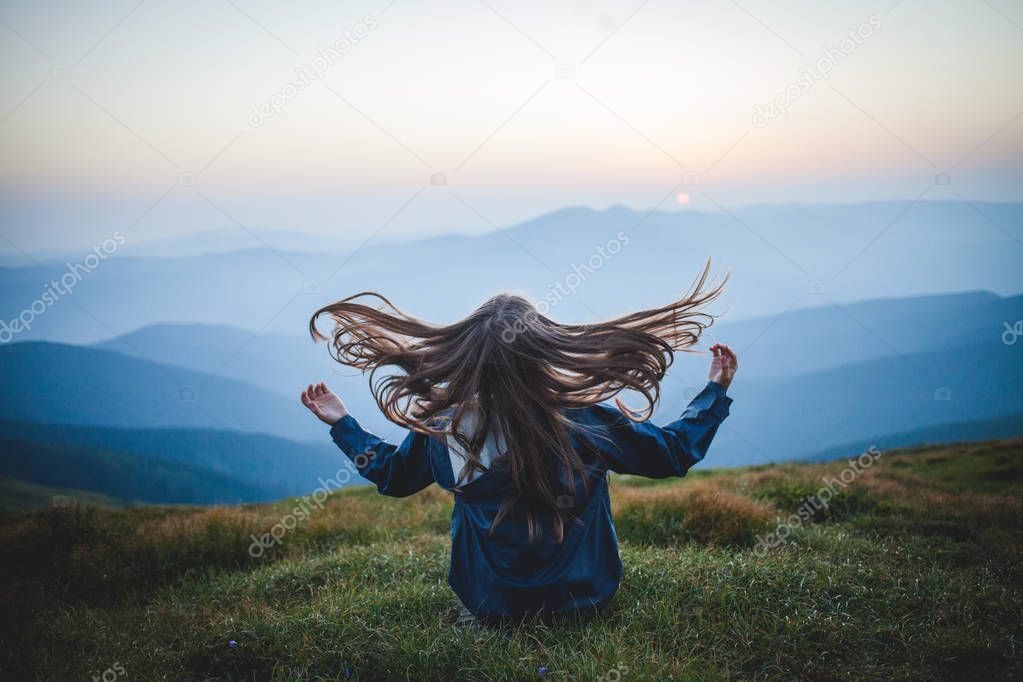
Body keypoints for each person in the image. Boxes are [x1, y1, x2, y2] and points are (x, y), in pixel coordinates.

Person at [300, 264, 737, 623]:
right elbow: (673, 454)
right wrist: (714, 392)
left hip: (493, 609)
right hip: (584, 603)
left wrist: (343, 423)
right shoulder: (583, 419)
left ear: (466, 358)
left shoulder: (446, 428)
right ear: (545, 352)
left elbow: (394, 477)